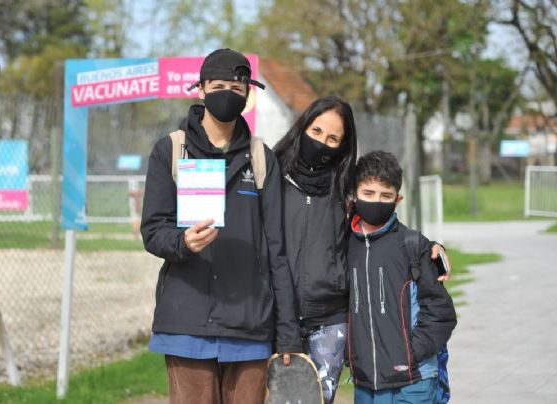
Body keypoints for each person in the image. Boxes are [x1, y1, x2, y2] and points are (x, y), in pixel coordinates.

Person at [140, 48, 302, 404]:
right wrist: (182, 242)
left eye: (236, 86)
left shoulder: (262, 158)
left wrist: (288, 332)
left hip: (250, 325)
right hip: (187, 322)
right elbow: (152, 230)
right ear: (200, 89)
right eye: (218, 84)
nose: (228, 92)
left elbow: (278, 250)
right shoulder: (171, 150)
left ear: (248, 94)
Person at [272, 96, 451, 403]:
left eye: (333, 138)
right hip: (276, 314)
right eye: (316, 131)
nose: (322, 142)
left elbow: (380, 231)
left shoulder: (343, 184)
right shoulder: (273, 175)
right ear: (302, 126)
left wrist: (430, 248)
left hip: (329, 319)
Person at [347, 150, 457, 403]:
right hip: (365, 382)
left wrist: (409, 352)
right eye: (368, 193)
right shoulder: (344, 245)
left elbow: (442, 313)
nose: (376, 201)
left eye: (385, 196)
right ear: (354, 195)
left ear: (398, 199)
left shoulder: (414, 246)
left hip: (413, 381)